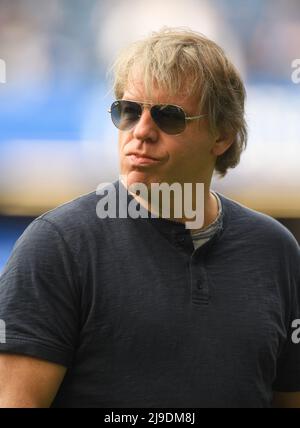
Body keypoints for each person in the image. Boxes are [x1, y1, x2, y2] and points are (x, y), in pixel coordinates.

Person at [0, 27, 299, 408]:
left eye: (168, 117)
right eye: (128, 111)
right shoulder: (58, 246)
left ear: (221, 136)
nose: (141, 132)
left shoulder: (275, 252)